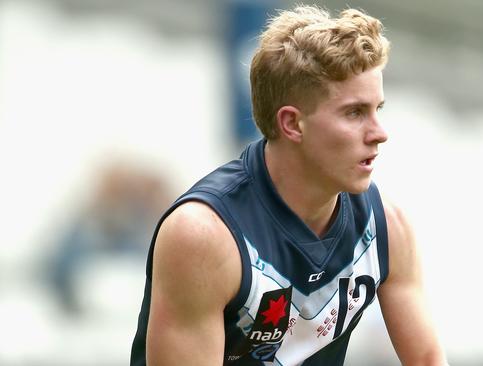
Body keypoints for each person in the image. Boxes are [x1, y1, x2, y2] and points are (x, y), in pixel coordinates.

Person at [131, 5, 448, 366]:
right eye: (355, 113)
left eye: (378, 109)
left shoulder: (387, 226)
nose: (380, 133)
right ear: (293, 124)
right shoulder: (204, 237)